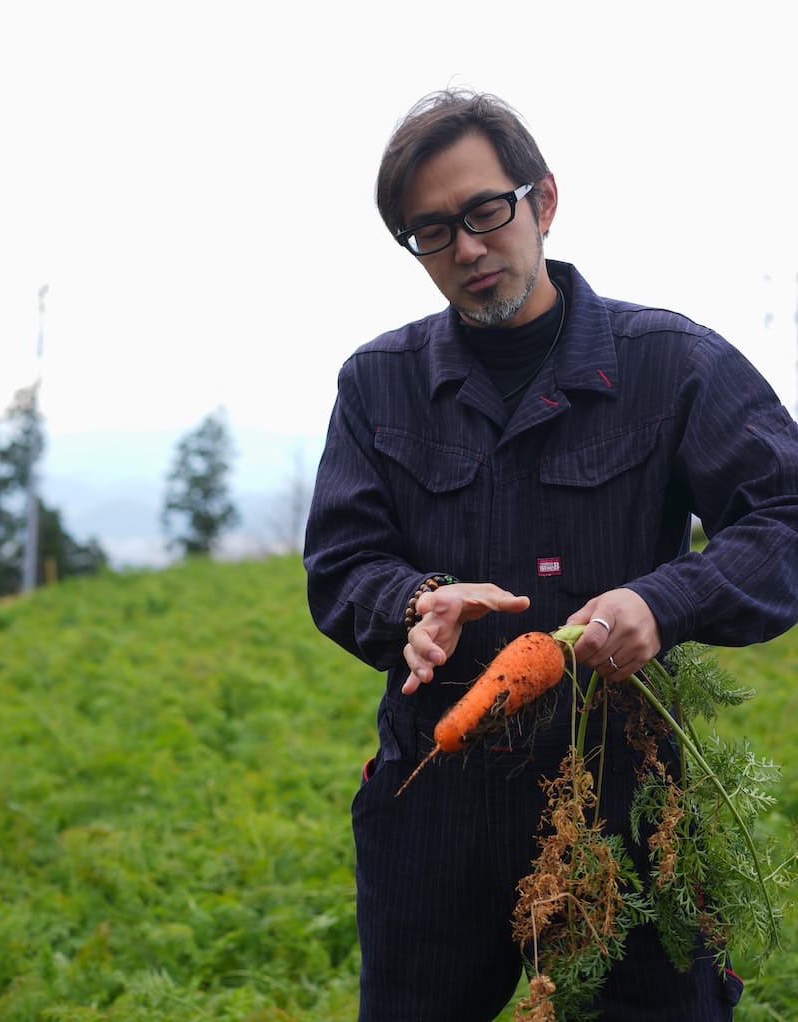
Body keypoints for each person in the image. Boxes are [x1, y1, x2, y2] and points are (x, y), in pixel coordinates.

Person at [303, 88, 798, 1022]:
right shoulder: (379, 383)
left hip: (624, 797)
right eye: (432, 231)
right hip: (431, 796)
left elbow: (783, 516)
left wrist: (669, 600)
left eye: (487, 211)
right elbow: (340, 562)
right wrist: (414, 603)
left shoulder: (672, 365)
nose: (469, 248)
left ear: (544, 201)